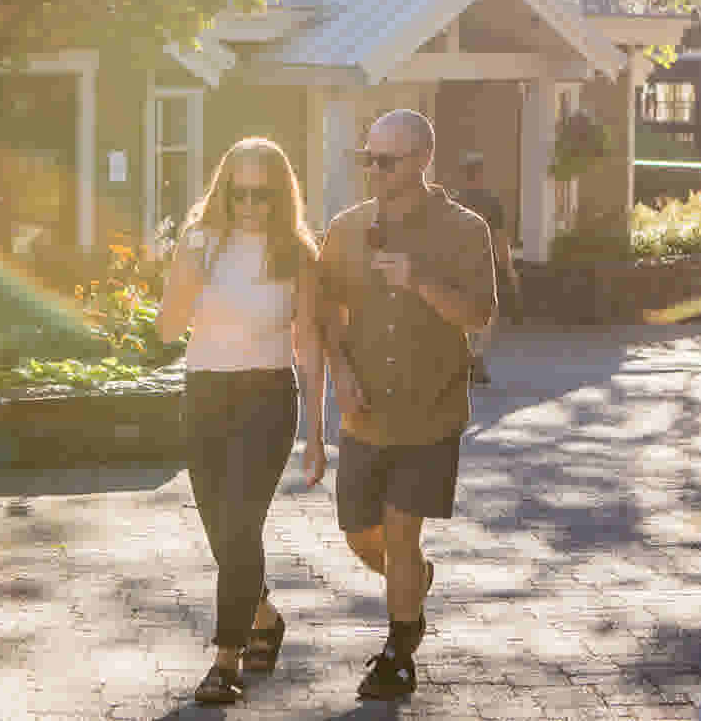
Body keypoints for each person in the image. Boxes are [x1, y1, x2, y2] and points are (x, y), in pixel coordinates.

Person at [317, 109, 497, 700]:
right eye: (367, 158)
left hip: (430, 411)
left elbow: (478, 316)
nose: (373, 169)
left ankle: (398, 651)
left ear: (422, 160)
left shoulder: (465, 230)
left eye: (386, 160)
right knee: (359, 535)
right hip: (362, 412)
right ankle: (414, 584)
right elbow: (325, 315)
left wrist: (416, 281)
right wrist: (339, 373)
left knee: (399, 532)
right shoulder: (344, 229)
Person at [157, 137, 328, 707]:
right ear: (223, 190)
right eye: (240, 193)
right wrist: (188, 270)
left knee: (239, 525)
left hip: (267, 398)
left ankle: (224, 661)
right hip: (205, 393)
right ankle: (263, 615)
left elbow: (308, 344)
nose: (251, 206)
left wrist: (319, 432)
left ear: (282, 196)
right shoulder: (199, 242)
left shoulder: (297, 254)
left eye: (263, 195)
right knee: (222, 533)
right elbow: (166, 328)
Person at [448, 152, 518, 385]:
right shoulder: (491, 203)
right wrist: (509, 270)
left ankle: (466, 356)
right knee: (489, 311)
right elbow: (500, 239)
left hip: (457, 265)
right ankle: (476, 357)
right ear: (481, 175)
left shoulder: (453, 201)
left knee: (459, 311)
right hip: (484, 265)